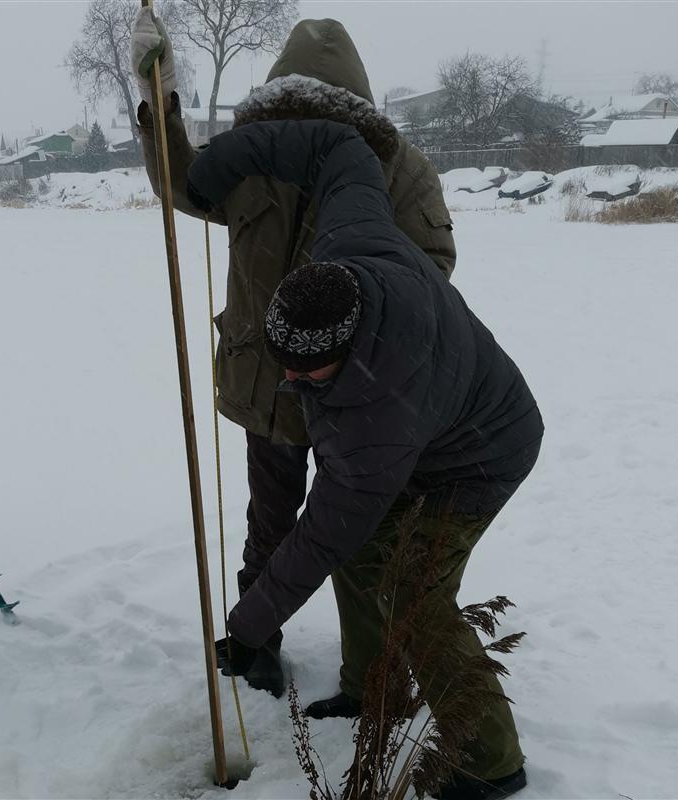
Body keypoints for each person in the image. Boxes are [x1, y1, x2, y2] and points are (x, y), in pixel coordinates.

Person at [185, 119, 542, 800]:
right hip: (443, 412)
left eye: (307, 377)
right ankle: (375, 689)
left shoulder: (375, 419)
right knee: (365, 555)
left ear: (345, 352)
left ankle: (491, 763)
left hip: (485, 453)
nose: (293, 385)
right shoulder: (353, 240)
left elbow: (322, 532)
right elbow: (338, 148)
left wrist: (248, 623)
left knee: (414, 591)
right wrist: (217, 163)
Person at [131, 13, 457, 704]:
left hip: (359, 389)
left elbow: (433, 268)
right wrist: (158, 104)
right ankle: (259, 646)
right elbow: (188, 185)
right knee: (271, 519)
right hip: (266, 378)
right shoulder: (255, 151)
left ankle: (367, 679)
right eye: (289, 108)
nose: (298, 123)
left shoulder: (401, 172)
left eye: (315, 110)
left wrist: (356, 327)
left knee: (352, 532)